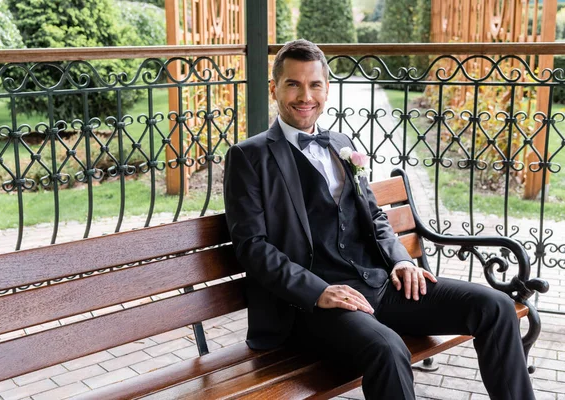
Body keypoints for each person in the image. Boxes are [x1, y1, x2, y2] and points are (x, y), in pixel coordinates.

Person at [223, 39, 534, 400]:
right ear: (275, 88)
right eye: (293, 84)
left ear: (327, 89)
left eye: (314, 84)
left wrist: (401, 260)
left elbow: (372, 215)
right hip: (311, 306)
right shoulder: (248, 156)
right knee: (387, 349)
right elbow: (252, 247)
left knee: (494, 306)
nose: (304, 95)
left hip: (380, 284)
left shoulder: (339, 141)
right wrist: (319, 291)